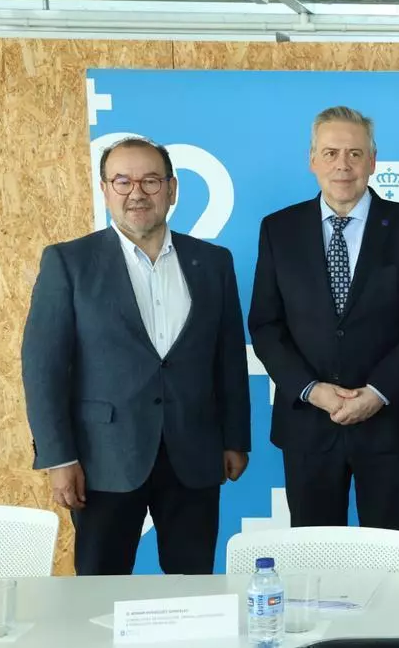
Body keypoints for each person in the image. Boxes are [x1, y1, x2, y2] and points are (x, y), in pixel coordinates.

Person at [22, 137, 250, 575]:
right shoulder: (69, 263)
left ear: (172, 189)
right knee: (100, 587)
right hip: (103, 459)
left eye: (150, 181)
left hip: (194, 454)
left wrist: (235, 439)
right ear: (105, 190)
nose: (137, 193)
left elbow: (228, 360)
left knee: (193, 587)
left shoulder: (213, 262)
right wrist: (59, 458)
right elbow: (43, 368)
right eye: (122, 181)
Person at [249, 106, 399, 531]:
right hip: (308, 425)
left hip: (390, 423)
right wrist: (312, 390)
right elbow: (265, 325)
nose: (343, 165)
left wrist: (378, 392)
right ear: (312, 160)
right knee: (314, 559)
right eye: (331, 152)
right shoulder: (279, 230)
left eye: (355, 154)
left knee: (394, 557)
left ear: (373, 161)